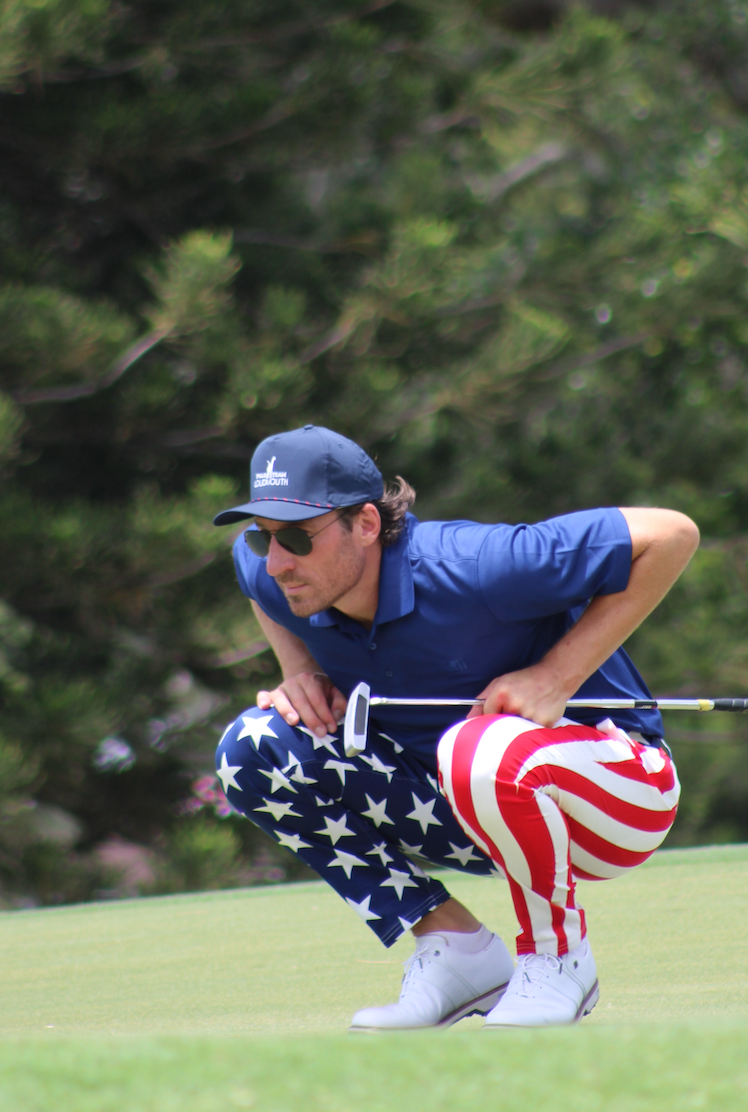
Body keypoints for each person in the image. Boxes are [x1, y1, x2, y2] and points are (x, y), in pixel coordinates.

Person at [213, 424, 698, 1029]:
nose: (277, 561)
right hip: (468, 813)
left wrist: (556, 676)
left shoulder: (482, 567)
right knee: (252, 748)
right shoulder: (275, 573)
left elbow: (672, 534)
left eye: (295, 537)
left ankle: (557, 959)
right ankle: (458, 950)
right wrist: (299, 670)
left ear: (366, 524)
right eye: (266, 537)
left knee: (481, 746)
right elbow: (248, 569)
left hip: (617, 800)